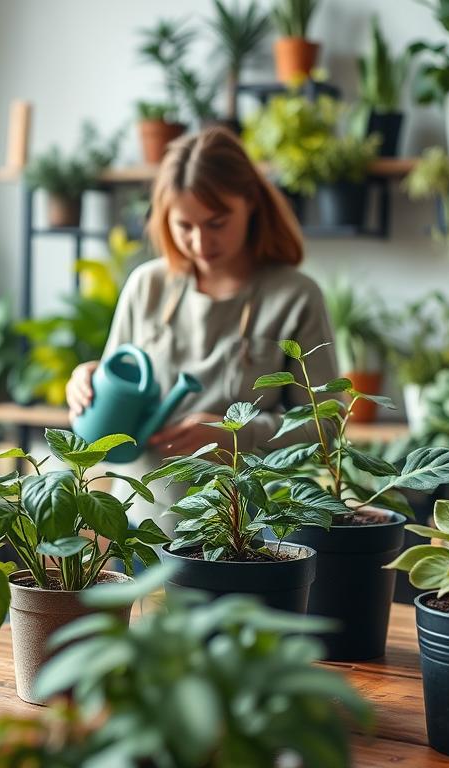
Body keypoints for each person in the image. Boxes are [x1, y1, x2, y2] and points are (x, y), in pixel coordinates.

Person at [65, 126, 337, 532]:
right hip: (144, 530)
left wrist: (236, 436)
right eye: (184, 226)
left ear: (251, 204)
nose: (199, 241)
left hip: (246, 538)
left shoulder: (296, 296)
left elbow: (324, 428)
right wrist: (85, 381)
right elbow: (115, 406)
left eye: (216, 223)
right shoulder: (148, 285)